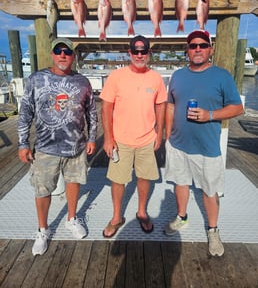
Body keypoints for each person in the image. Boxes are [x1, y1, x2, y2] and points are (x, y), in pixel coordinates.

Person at [164, 29, 244, 256]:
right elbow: (170, 105)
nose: (197, 49)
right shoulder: (178, 75)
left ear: (210, 49)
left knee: (210, 191)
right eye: (192, 46)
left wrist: (210, 115)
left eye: (202, 45)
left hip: (207, 148)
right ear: (187, 50)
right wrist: (167, 134)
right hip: (178, 145)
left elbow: (237, 108)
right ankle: (182, 217)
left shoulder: (222, 76)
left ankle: (213, 229)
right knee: (180, 184)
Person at [18, 38, 98, 256]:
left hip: (76, 147)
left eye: (67, 51)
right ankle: (43, 229)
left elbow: (91, 112)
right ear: (52, 54)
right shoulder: (36, 79)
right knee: (42, 189)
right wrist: (23, 142)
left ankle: (71, 219)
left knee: (74, 182)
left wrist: (92, 138)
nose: (63, 55)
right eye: (58, 50)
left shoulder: (83, 82)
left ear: (73, 56)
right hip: (45, 148)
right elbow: (25, 111)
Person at [100, 35, 167, 238]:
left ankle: (141, 212)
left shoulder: (156, 78)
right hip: (120, 140)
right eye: (136, 51)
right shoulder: (116, 76)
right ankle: (116, 217)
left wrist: (160, 133)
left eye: (143, 51)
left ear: (149, 54)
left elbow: (161, 105)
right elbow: (106, 108)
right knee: (118, 180)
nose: (140, 55)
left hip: (147, 139)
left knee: (144, 177)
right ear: (129, 53)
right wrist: (108, 138)